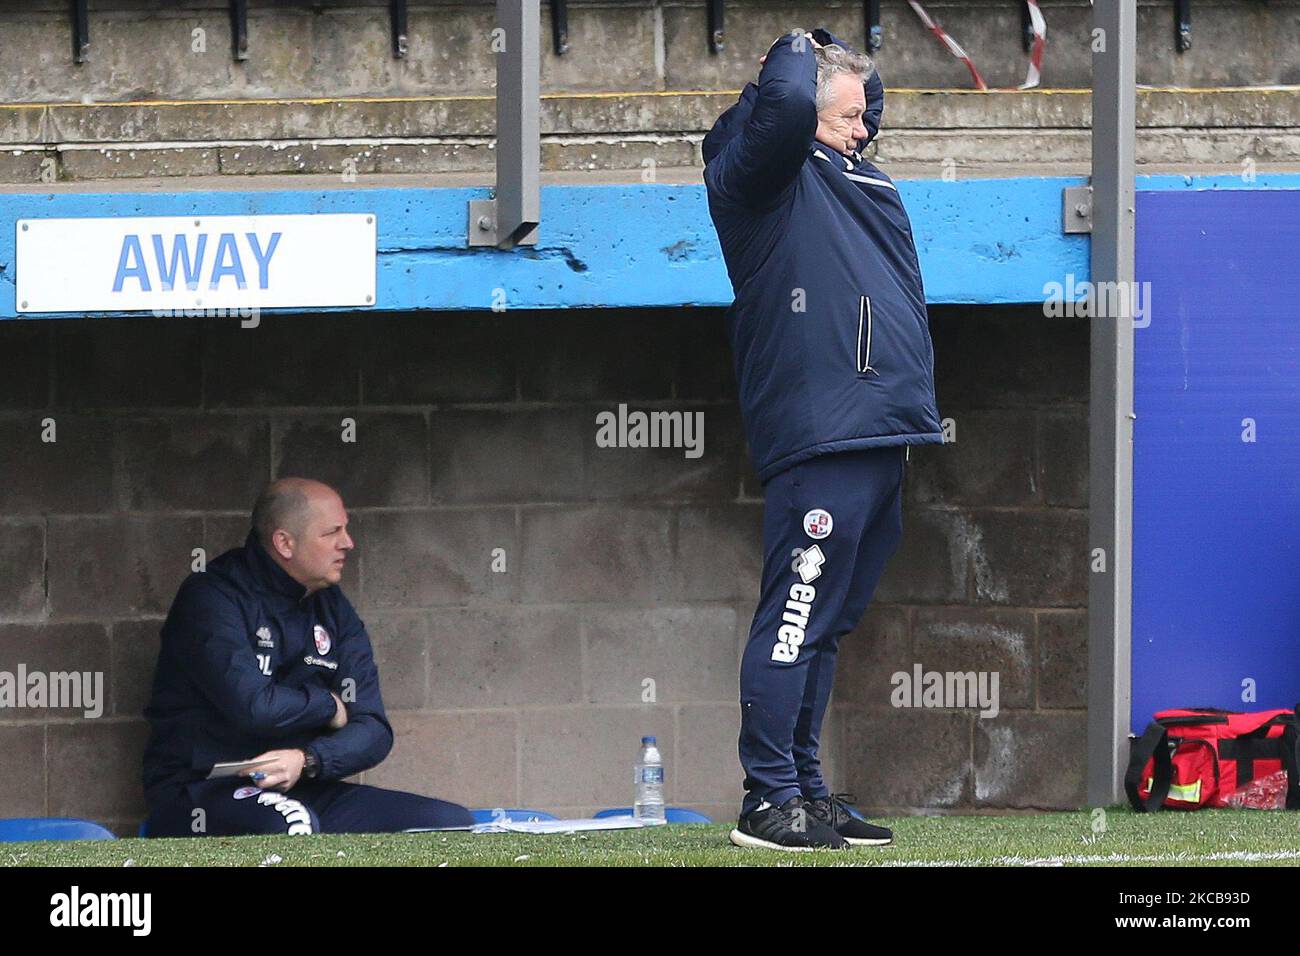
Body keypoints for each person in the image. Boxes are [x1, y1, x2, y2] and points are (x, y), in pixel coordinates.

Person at [702, 27, 944, 850]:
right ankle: (767, 800)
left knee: (829, 622)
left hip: (878, 430)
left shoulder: (844, 168)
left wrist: (841, 54)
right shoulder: (759, 173)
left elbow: (858, 96)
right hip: (824, 434)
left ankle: (806, 790)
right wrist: (795, 47)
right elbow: (786, 106)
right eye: (842, 115)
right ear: (798, 110)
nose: (864, 128)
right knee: (796, 619)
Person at [141, 477, 473, 836]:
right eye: (332, 532)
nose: (347, 543)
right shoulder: (213, 596)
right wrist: (328, 706)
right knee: (292, 823)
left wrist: (309, 760)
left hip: (304, 784)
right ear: (285, 542)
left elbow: (374, 729)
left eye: (345, 530)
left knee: (447, 823)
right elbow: (255, 708)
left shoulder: (333, 608)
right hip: (203, 791)